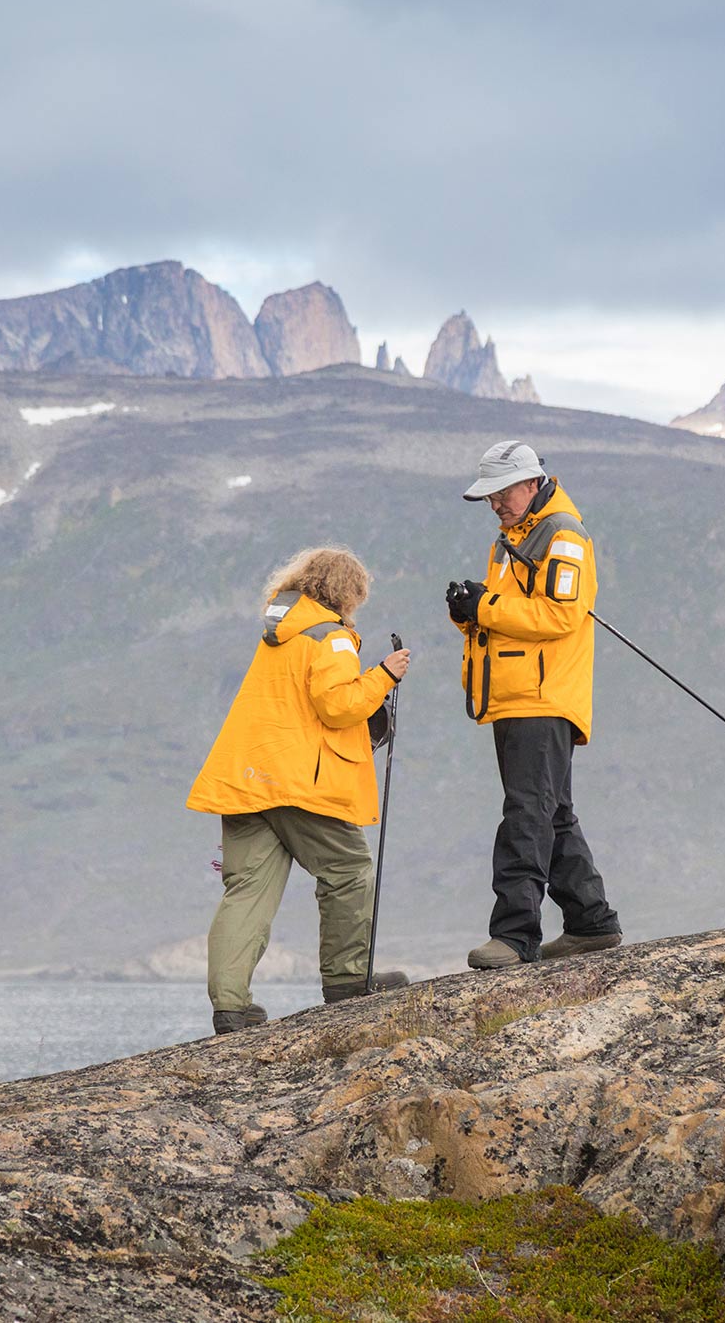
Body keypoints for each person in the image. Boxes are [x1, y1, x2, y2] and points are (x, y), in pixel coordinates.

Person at [186, 546, 413, 1034]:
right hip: (296, 782)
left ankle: (231, 1007)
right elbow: (337, 706)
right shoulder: (331, 637)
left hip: (247, 778)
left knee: (246, 891)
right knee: (349, 871)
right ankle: (348, 982)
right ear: (347, 592)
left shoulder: (279, 636)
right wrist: (384, 675)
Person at [446, 441, 623, 970]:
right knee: (553, 811)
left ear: (529, 483)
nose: (495, 505)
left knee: (527, 812)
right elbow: (509, 615)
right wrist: (469, 610)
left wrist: (486, 605)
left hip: (541, 698)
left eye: (501, 494)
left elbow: (560, 616)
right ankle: (591, 922)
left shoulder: (563, 534)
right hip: (516, 695)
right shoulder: (511, 537)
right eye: (488, 498)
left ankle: (515, 935)